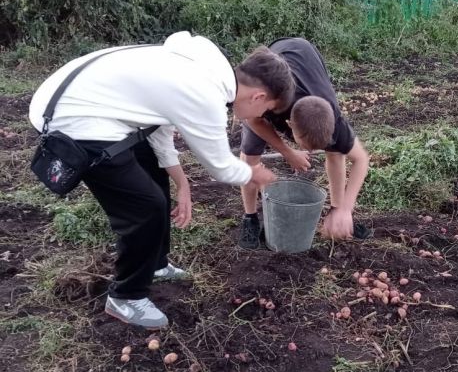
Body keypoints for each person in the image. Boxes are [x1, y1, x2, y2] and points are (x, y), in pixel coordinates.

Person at [28, 32, 294, 329]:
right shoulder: (205, 95)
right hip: (73, 119)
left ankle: (155, 264)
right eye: (267, 110)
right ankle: (125, 296)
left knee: (154, 176)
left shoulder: (209, 67)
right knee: (145, 207)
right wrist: (254, 173)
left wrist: (182, 183)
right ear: (258, 97)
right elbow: (221, 168)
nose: (263, 116)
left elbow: (158, 125)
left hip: (79, 98)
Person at [239, 37, 370, 248]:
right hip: (272, 70)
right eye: (304, 145)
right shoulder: (271, 101)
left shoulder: (331, 117)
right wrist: (288, 152)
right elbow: (252, 120)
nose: (308, 151)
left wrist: (345, 208)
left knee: (336, 151)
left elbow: (361, 159)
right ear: (289, 125)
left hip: (306, 57)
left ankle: (335, 211)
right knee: (250, 154)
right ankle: (250, 218)